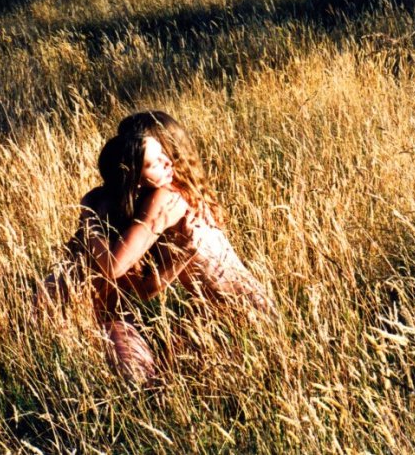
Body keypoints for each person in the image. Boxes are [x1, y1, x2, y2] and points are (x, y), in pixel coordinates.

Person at [70, 111, 274, 384]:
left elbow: (115, 266)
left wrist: (88, 217)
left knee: (153, 384)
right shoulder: (184, 189)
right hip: (228, 311)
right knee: (161, 379)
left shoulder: (166, 198)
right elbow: (147, 290)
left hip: (241, 316)